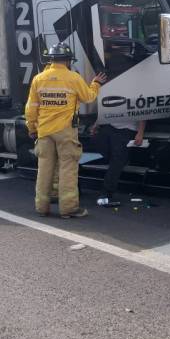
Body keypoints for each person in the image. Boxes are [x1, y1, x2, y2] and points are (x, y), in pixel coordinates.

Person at [25, 43, 107, 218]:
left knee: (44, 169)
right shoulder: (73, 78)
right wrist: (96, 84)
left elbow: (31, 108)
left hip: (44, 130)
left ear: (51, 59)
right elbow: (88, 97)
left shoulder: (39, 79)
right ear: (68, 60)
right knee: (67, 169)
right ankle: (68, 209)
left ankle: (42, 207)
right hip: (65, 130)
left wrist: (31, 127)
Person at [93, 119, 146, 206]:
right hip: (110, 125)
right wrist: (96, 123)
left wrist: (140, 133)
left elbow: (144, 114)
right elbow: (105, 110)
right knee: (95, 146)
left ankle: (107, 192)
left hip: (128, 128)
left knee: (117, 160)